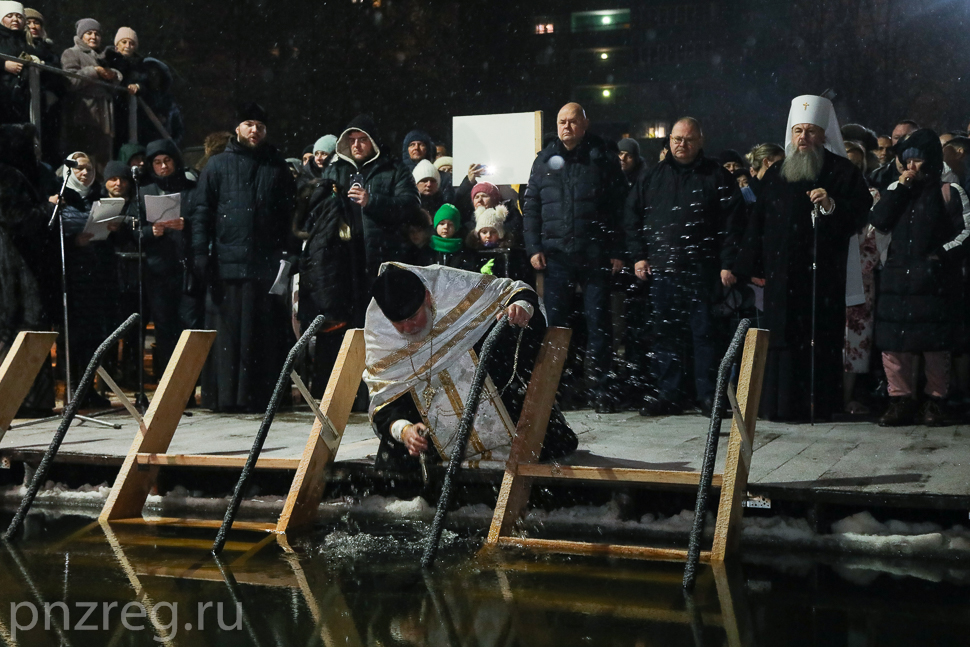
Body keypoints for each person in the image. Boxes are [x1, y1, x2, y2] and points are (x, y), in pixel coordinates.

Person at [733, 95, 872, 422]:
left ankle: (817, 405)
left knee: (818, 338)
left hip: (822, 277)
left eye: (810, 131)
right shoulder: (777, 172)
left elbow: (860, 212)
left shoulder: (842, 171)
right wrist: (750, 265)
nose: (803, 138)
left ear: (823, 134)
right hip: (782, 275)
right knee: (781, 339)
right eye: (798, 131)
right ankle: (779, 406)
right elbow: (758, 223)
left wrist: (831, 205)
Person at [364, 263, 577, 471]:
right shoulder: (380, 335)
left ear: (427, 297)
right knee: (396, 463)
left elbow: (516, 292)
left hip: (500, 404)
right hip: (437, 438)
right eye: (398, 323)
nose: (408, 328)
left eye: (413, 317)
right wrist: (405, 430)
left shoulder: (452, 288)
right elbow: (384, 401)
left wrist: (521, 308)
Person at [626, 117, 746, 417]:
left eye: (688, 140)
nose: (682, 144)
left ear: (700, 141)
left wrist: (728, 263)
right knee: (665, 335)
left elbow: (733, 224)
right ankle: (669, 394)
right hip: (662, 271)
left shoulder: (717, 176)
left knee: (705, 335)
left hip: (703, 271)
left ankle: (708, 397)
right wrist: (639, 256)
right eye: (677, 139)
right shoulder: (652, 176)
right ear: (669, 141)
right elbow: (632, 217)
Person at [190, 103, 298, 412]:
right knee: (228, 338)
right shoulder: (217, 165)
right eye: (249, 124)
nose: (255, 130)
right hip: (226, 265)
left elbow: (289, 216)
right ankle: (225, 397)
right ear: (237, 128)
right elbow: (202, 213)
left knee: (262, 336)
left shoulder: (276, 167)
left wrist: (289, 254)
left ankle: (261, 398)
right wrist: (200, 252)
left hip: (265, 267)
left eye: (260, 126)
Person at [522, 102, 627, 412]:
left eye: (572, 121)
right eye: (561, 122)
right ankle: (560, 389)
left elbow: (618, 207)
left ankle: (601, 388)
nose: (566, 127)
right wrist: (533, 247)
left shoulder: (602, 158)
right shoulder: (543, 160)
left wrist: (618, 251)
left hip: (595, 255)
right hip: (556, 257)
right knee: (556, 326)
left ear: (584, 124)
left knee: (599, 324)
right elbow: (532, 206)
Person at [871, 130, 970, 426]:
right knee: (894, 342)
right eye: (907, 159)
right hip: (897, 279)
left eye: (917, 159)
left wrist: (940, 255)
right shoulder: (895, 188)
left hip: (934, 281)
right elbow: (879, 221)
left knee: (935, 344)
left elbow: (966, 232)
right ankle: (900, 400)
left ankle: (936, 401)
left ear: (931, 160)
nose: (911, 165)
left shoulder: (950, 191)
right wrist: (900, 188)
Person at [318, 113, 421, 282]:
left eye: (362, 140)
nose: (356, 145)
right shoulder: (334, 171)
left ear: (373, 141)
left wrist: (372, 201)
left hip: (382, 257)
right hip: (343, 260)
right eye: (352, 140)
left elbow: (411, 206)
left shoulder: (394, 169)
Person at [137, 139, 196, 378]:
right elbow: (132, 230)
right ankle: (167, 380)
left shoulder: (190, 189)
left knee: (189, 326)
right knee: (164, 328)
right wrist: (149, 232)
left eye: (167, 160)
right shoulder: (144, 192)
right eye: (158, 162)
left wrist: (186, 224)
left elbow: (204, 219)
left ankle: (188, 381)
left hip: (186, 268)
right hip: (158, 271)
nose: (163, 166)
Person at [61, 19, 122, 171]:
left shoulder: (104, 56)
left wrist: (113, 75)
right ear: (81, 35)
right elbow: (70, 81)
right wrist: (94, 71)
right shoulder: (71, 53)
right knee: (83, 160)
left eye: (97, 34)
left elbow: (114, 86)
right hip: (82, 113)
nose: (93, 37)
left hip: (105, 115)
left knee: (103, 162)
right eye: (89, 33)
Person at [466, 205, 531, 282]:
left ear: (500, 234)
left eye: (493, 232)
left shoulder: (509, 253)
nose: (488, 236)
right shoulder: (471, 253)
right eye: (484, 232)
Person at [0, 2, 37, 125]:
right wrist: (4, 65)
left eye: (19, 16)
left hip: (22, 96)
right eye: (9, 15)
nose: (15, 19)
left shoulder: (27, 40)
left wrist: (37, 61)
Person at [869, 120, 919, 191]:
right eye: (897, 137)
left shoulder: (926, 174)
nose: (901, 141)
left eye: (907, 136)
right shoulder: (877, 176)